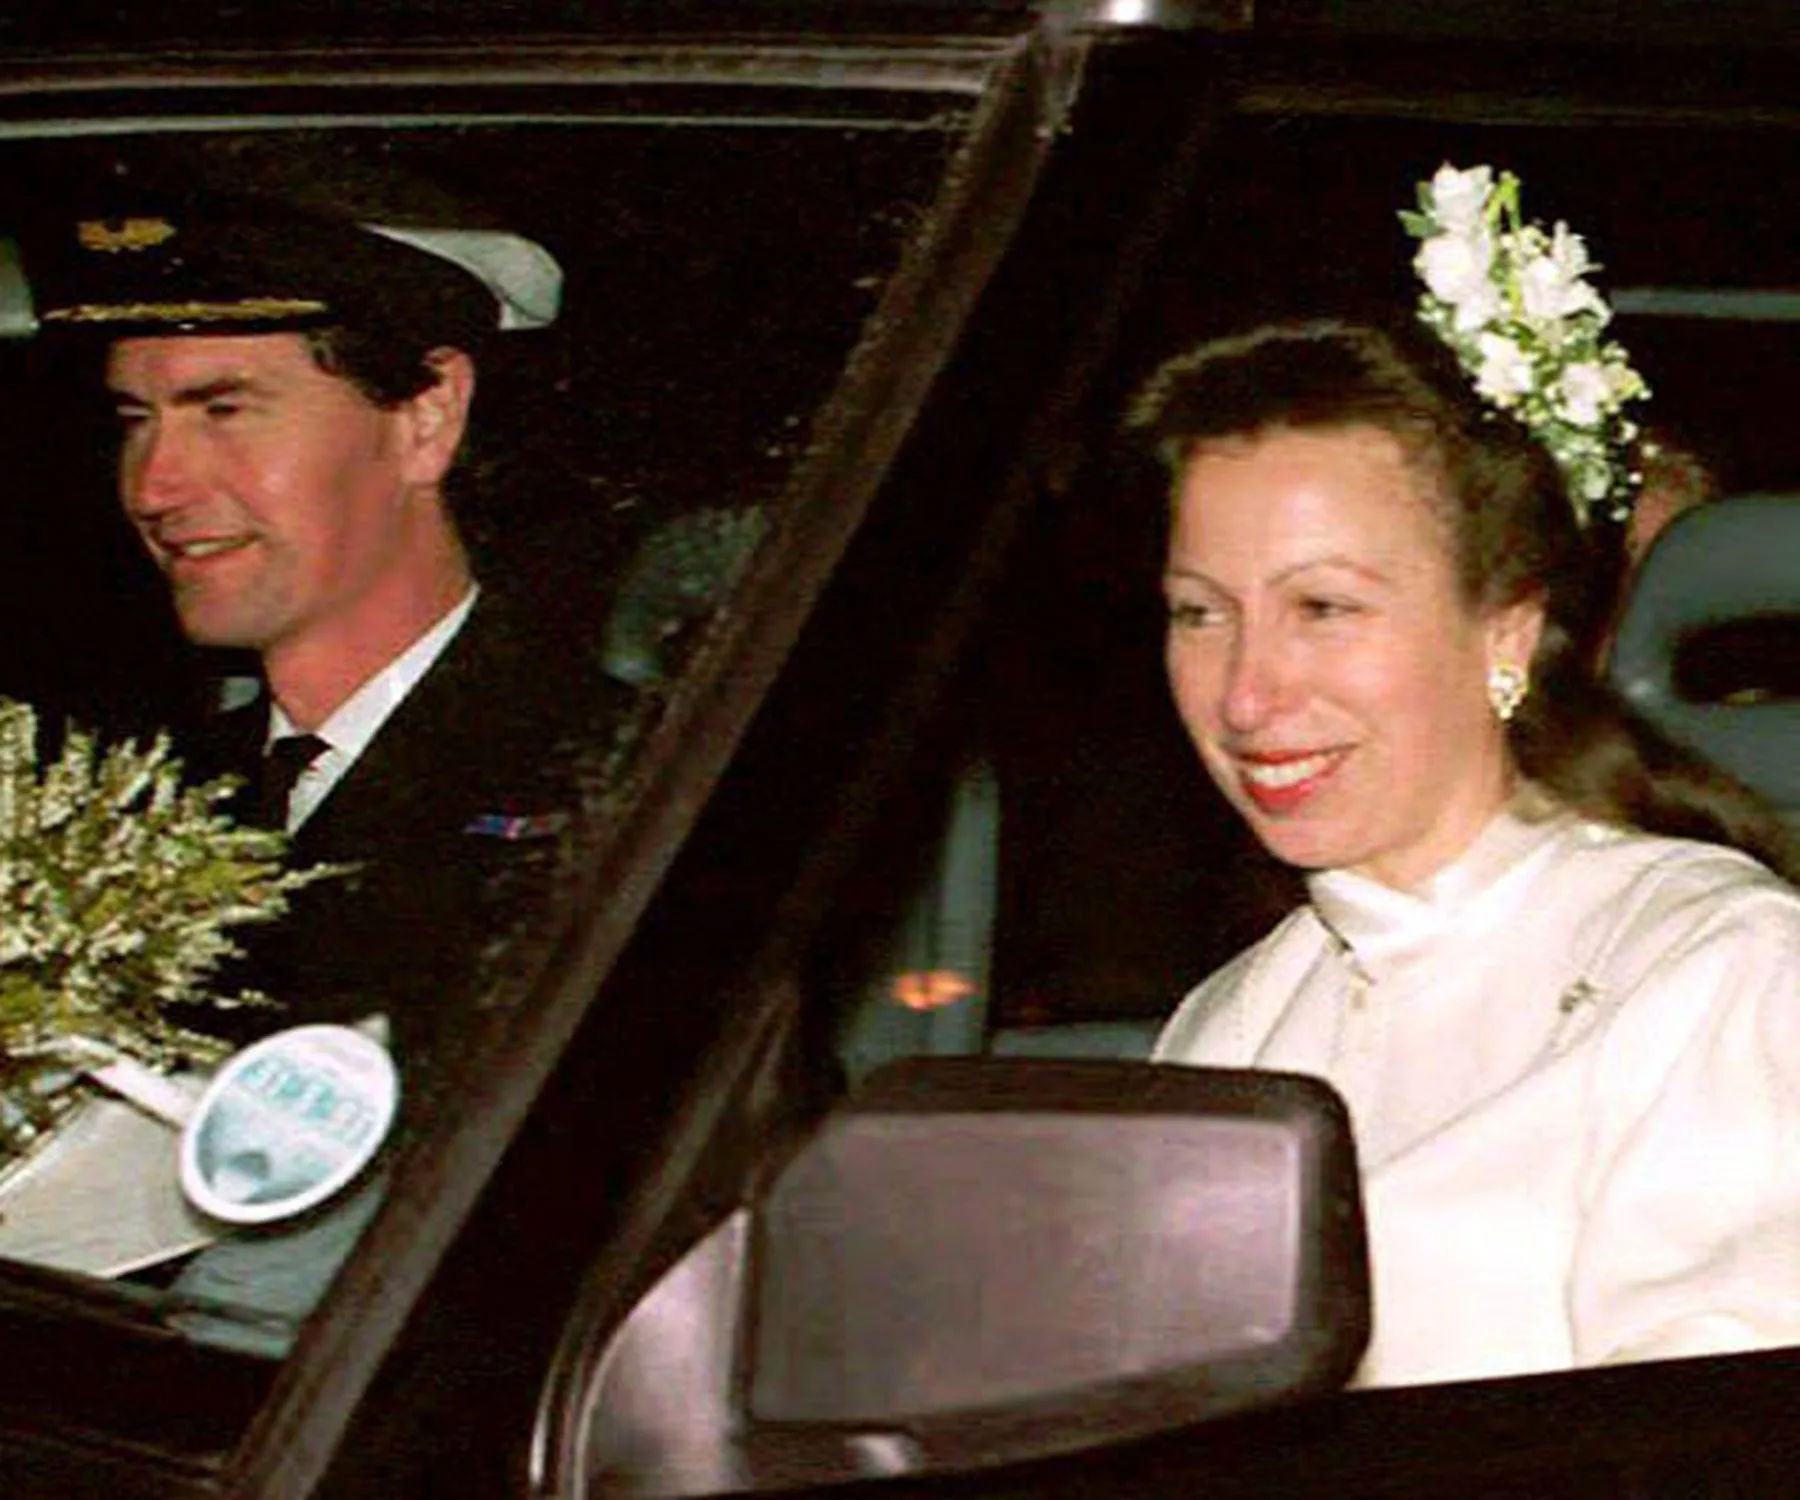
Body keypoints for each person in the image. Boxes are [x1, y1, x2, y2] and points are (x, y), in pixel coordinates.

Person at [1128, 314, 1800, 1389]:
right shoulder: (1232, 1018)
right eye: (1201, 613)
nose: (1247, 695)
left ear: (1506, 636)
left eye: (1325, 608)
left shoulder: (1713, 972)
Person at [28, 199, 631, 1084]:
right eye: (134, 420)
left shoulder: (627, 778)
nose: (155, 486)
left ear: (427, 417)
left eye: (224, 410)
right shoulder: (136, 802)